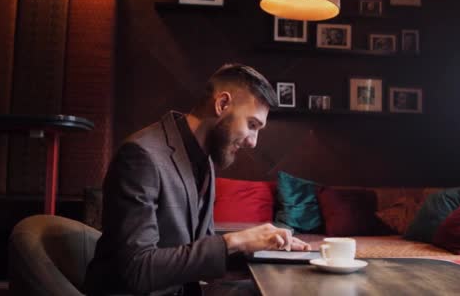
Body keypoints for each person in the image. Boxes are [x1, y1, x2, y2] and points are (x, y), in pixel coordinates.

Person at [84, 63, 311, 296]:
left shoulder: (205, 158)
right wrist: (235, 241)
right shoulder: (141, 156)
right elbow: (137, 270)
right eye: (252, 125)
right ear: (222, 104)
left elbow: (196, 248)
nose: (253, 142)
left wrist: (264, 246)